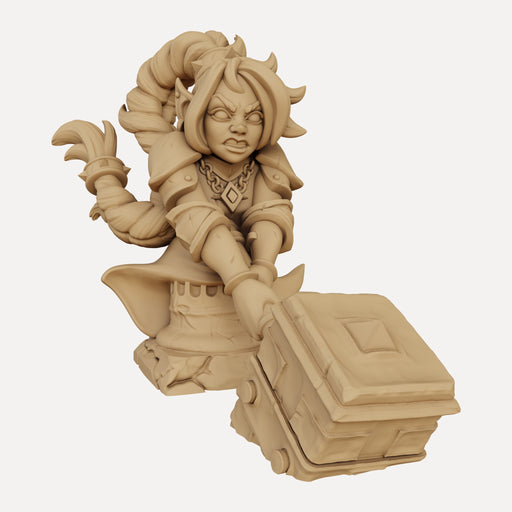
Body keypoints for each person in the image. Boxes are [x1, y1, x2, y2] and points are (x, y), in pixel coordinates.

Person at [53, 31, 306, 395]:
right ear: (194, 112)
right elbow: (196, 215)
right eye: (222, 113)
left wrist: (262, 270)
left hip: (250, 288)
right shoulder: (175, 152)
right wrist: (242, 282)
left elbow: (272, 212)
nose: (239, 127)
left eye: (254, 116)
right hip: (195, 287)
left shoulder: (267, 159)